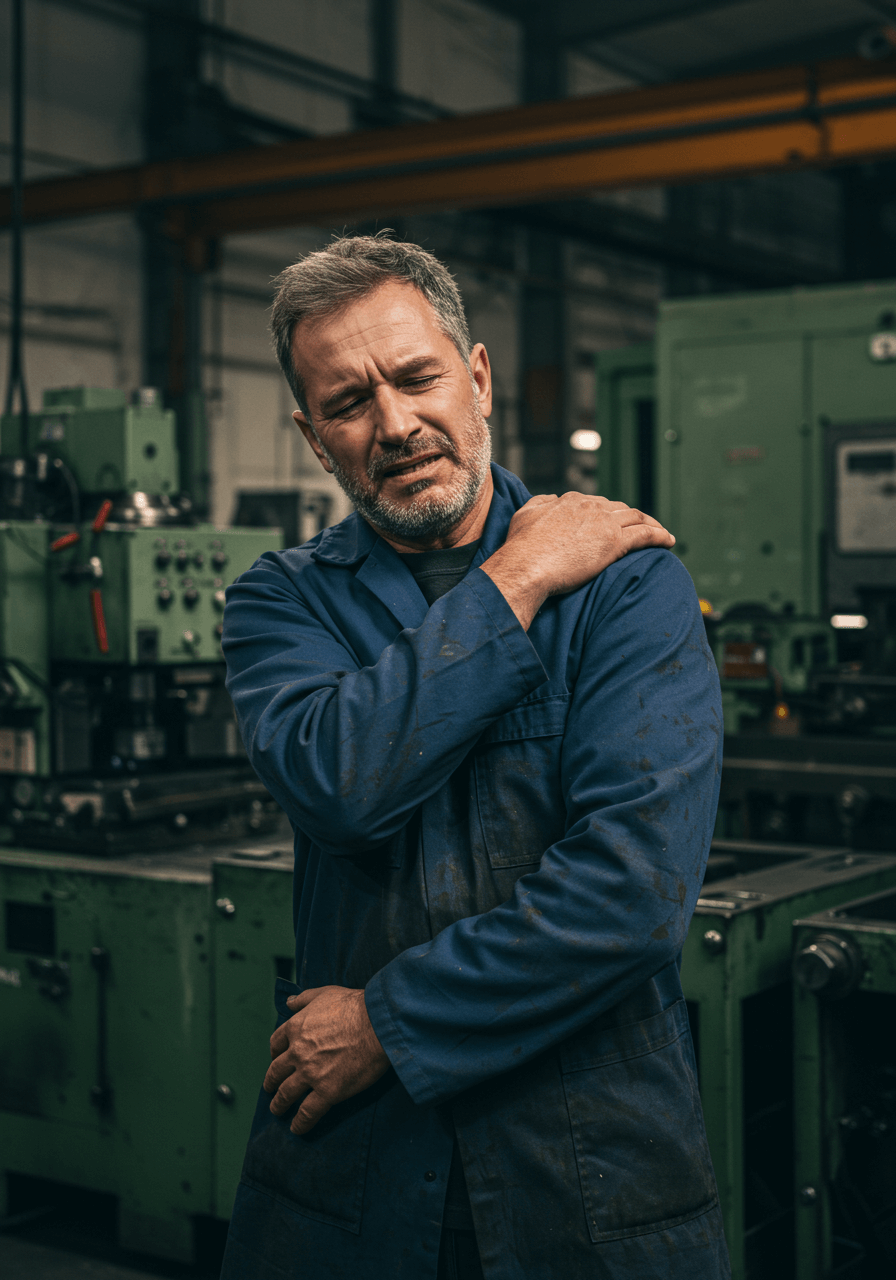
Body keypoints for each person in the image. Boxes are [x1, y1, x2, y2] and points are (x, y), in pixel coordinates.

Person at [219, 234, 730, 1280]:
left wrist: (385, 1022)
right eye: (349, 401)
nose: (395, 423)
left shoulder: (624, 585)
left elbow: (630, 896)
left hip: (586, 1171)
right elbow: (337, 784)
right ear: (314, 437)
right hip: (349, 1182)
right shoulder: (279, 601)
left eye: (416, 377)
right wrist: (520, 573)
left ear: (477, 376)